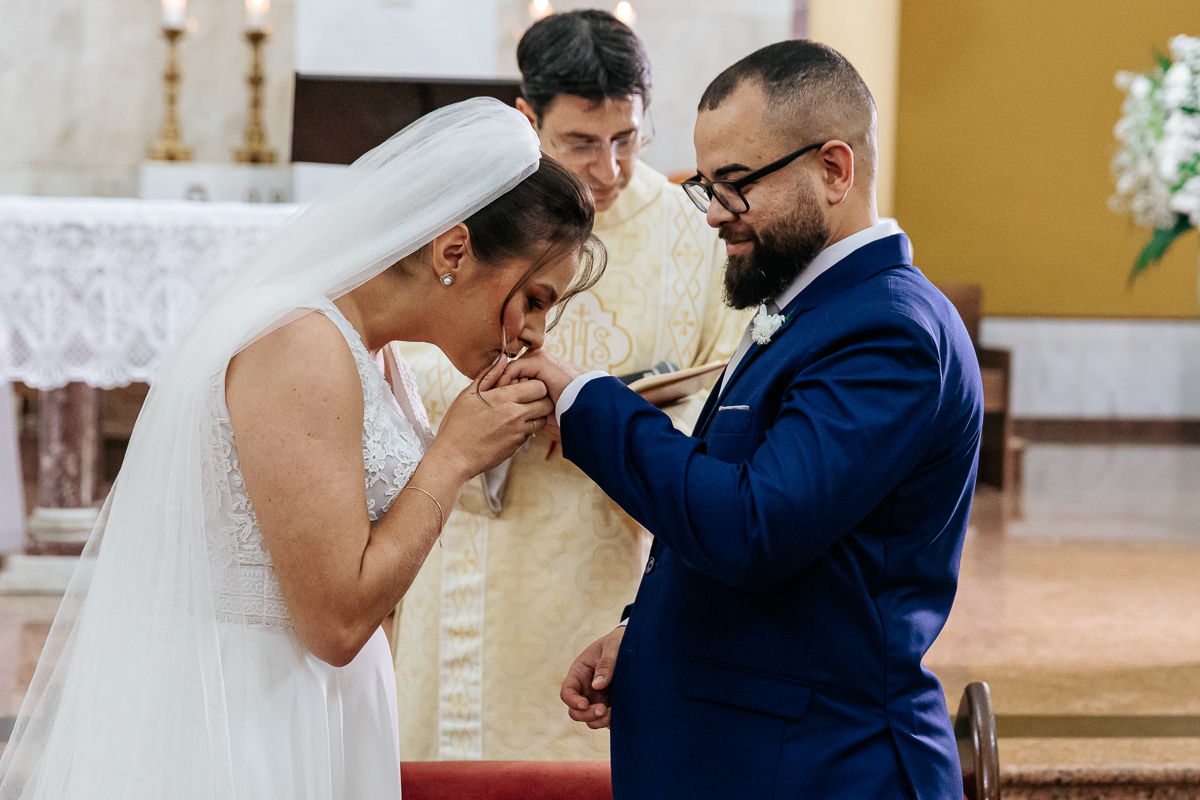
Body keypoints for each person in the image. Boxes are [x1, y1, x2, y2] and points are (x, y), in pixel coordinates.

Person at [0, 99, 603, 800]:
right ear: (454, 251)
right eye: (532, 298)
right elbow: (336, 620)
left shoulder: (377, 355)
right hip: (249, 712)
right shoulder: (302, 343)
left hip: (325, 700)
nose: (534, 333)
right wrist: (454, 455)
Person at [502, 41, 984, 799]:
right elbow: (799, 551)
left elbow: (753, 527)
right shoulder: (809, 312)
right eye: (707, 186)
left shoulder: (888, 332)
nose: (716, 216)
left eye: (736, 185)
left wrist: (586, 401)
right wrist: (653, 628)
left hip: (824, 766)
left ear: (833, 169)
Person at [392, 10, 745, 760]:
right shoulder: (469, 213)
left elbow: (725, 390)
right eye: (581, 143)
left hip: (613, 547)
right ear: (528, 118)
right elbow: (391, 344)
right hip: (477, 547)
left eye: (627, 140)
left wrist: (609, 414)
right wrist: (505, 393)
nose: (609, 169)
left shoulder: (695, 232)